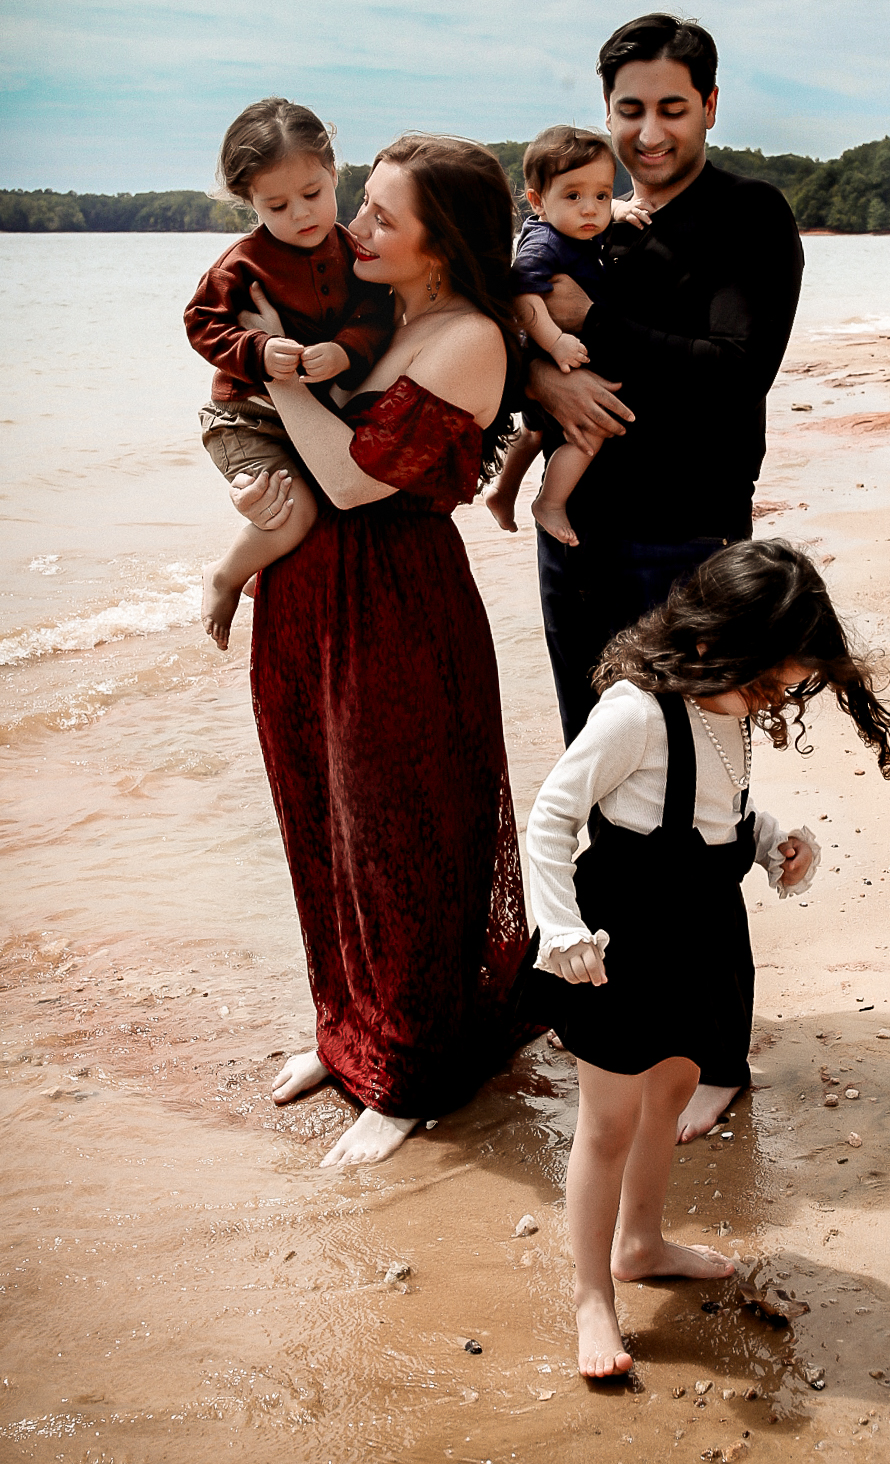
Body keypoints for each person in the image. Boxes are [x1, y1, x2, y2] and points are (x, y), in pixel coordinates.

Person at [524, 540, 890, 1377]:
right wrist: (557, 931)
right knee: (608, 1121)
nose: (773, 700)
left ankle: (640, 1241)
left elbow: (719, 812)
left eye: (784, 689)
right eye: (765, 683)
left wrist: (774, 842)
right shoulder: (635, 713)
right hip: (616, 940)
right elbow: (550, 818)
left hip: (699, 930)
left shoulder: (726, 712)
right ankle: (594, 1298)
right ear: (708, 644)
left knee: (672, 1086)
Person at [225, 134, 531, 1167]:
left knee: (399, 834)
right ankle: (343, 1032)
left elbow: (355, 482)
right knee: (320, 820)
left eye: (381, 218)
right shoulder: (371, 311)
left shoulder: (470, 337)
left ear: (438, 246)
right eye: (361, 209)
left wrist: (282, 375)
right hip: (306, 594)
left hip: (399, 604)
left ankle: (405, 1075)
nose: (354, 229)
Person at [525, 12, 805, 1141]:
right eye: (628, 109)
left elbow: (735, 374)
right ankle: (622, 1018)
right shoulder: (584, 213)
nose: (647, 132)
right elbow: (513, 329)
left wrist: (601, 327)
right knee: (606, 790)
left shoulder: (749, 218)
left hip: (689, 547)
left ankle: (715, 1053)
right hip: (580, 539)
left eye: (671, 108)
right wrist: (546, 384)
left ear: (712, 106)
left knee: (702, 805)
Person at [187, 97, 394, 650]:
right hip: (246, 418)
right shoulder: (242, 263)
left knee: (330, 502)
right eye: (276, 206)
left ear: (333, 174)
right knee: (294, 510)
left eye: (312, 195)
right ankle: (226, 574)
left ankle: (265, 568)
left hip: (310, 415)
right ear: (249, 201)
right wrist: (256, 349)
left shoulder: (353, 251)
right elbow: (201, 323)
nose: (301, 215)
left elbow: (374, 317)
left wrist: (346, 351)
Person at [485, 125, 647, 544]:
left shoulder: (575, 227)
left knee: (536, 431)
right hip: (549, 351)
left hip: (552, 358)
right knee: (591, 428)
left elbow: (592, 212)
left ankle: (502, 491)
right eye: (573, 196)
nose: (590, 210)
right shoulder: (543, 244)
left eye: (603, 195)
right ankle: (550, 502)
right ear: (538, 201)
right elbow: (522, 294)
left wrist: (621, 211)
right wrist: (554, 342)